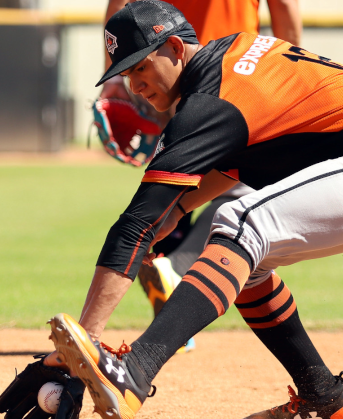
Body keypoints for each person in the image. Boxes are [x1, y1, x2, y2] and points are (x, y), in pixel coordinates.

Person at [47, 0, 343, 419]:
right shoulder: (233, 55)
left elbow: (135, 222)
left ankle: (135, 373)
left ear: (174, 48)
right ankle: (323, 398)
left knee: (240, 223)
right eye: (123, 74)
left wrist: (80, 351)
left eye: (140, 67)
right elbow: (240, 158)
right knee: (241, 262)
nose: (134, 84)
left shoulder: (211, 99)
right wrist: (181, 207)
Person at [98, 0, 301, 353]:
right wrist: (290, 71)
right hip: (231, 68)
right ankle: (176, 266)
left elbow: (120, 5)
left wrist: (119, 73)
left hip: (154, 59)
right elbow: (283, 6)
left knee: (175, 178)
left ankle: (166, 271)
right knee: (246, 174)